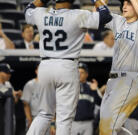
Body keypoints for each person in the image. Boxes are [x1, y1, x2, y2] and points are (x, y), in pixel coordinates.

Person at [24, 0, 112, 135]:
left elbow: (27, 10)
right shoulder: (78, 15)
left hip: (45, 65)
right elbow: (106, 16)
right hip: (66, 65)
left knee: (44, 114)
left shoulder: (41, 13)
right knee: (64, 119)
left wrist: (42, 0)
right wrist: (96, 1)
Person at [99, 0, 138, 134]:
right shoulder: (118, 21)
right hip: (112, 81)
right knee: (107, 128)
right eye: (123, 3)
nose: (124, 6)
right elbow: (102, 15)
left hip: (129, 80)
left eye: (128, 3)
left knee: (108, 128)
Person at [71, 63, 102, 135]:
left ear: (86, 74)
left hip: (88, 123)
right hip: (73, 122)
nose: (79, 74)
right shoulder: (71, 87)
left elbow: (101, 104)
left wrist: (94, 91)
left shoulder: (92, 86)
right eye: (78, 72)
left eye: (82, 72)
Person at [0, 63, 22, 135]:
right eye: (7, 73)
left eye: (10, 73)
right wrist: (12, 93)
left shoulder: (8, 84)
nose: (9, 75)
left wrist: (17, 96)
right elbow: (3, 93)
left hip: (8, 118)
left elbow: (14, 101)